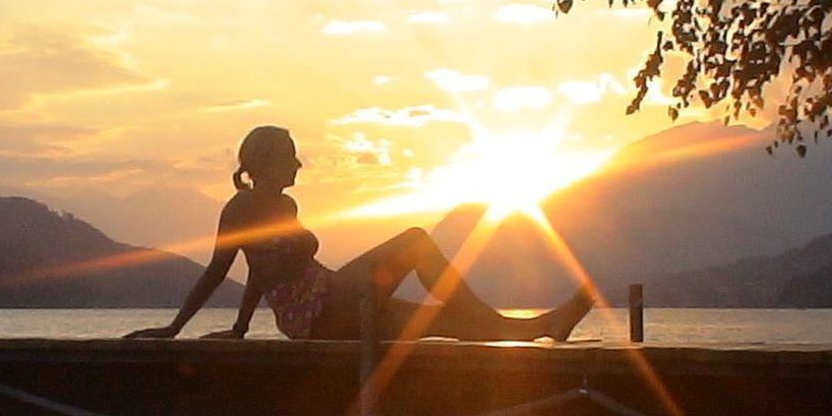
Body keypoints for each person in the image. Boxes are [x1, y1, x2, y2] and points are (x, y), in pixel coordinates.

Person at [125, 125, 596, 342]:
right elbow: (219, 270)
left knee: (440, 322)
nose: (299, 163)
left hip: (337, 301)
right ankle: (515, 323)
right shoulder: (241, 208)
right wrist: (174, 328)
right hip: (319, 315)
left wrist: (241, 327)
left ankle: (540, 328)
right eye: (290, 155)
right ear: (266, 161)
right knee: (416, 241)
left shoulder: (285, 206)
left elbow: (260, 270)